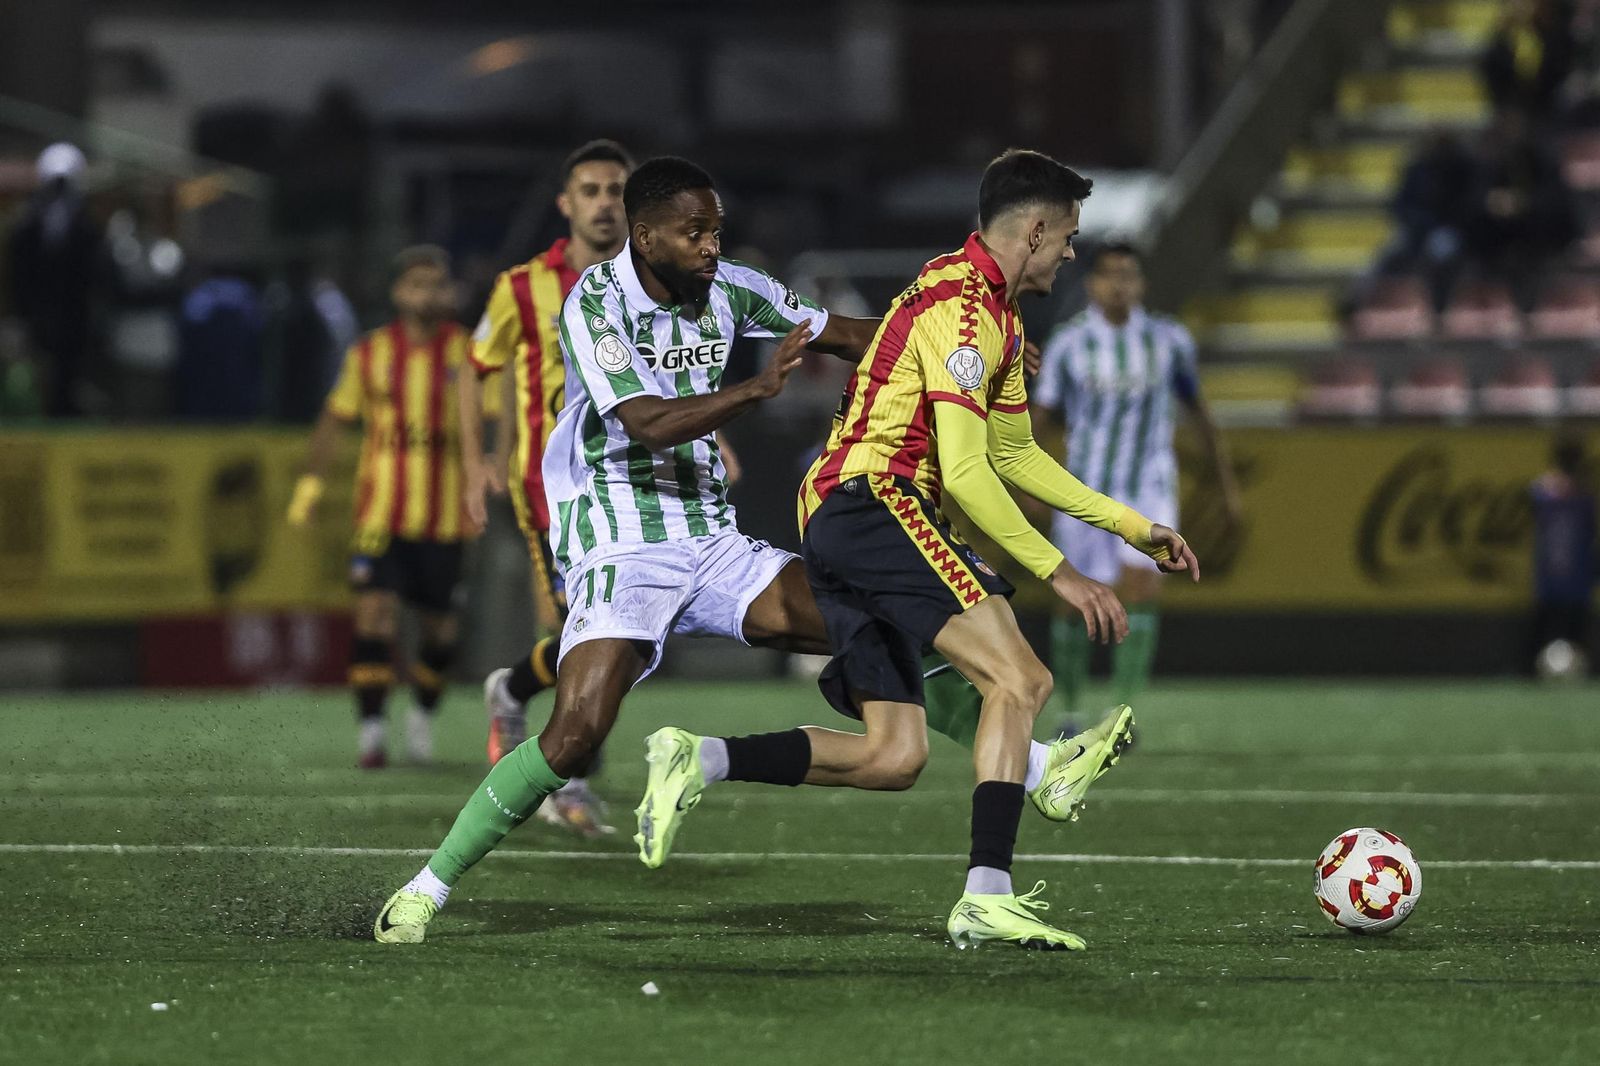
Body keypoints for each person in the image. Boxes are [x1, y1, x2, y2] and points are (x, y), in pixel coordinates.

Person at [371, 157, 1126, 944]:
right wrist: (753, 393)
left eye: (717, 230)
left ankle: (1031, 765)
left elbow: (851, 336)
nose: (709, 246)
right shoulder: (596, 302)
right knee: (577, 731)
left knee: (878, 614)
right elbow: (647, 422)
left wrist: (961, 350)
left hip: (711, 538)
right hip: (620, 536)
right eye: (693, 232)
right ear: (644, 234)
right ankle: (428, 886)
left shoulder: (733, 286)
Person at [639, 150, 1199, 952]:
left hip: (843, 513)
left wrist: (1130, 526)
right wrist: (1062, 572)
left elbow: (1015, 455)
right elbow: (968, 475)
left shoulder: (992, 315)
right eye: (1068, 235)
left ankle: (702, 757)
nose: (1072, 252)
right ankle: (989, 887)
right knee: (1022, 675)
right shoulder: (964, 312)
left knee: (893, 755)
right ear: (1034, 230)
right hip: (874, 503)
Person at [459, 138, 639, 837]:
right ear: (566, 204)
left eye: (616, 191)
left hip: (629, 485)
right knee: (583, 632)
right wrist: (479, 460)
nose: (603, 203)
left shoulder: (648, 283)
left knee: (618, 640)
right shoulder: (520, 286)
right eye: (590, 191)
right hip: (551, 488)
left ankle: (512, 689)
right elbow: (477, 366)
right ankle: (574, 781)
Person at [286, 246, 493, 767]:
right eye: (418, 284)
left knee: (439, 630)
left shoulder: (469, 354)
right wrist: (310, 486)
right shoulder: (370, 353)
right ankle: (373, 733)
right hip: (381, 516)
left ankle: (420, 720)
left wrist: (496, 459)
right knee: (373, 615)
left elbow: (498, 416)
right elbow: (335, 418)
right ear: (399, 292)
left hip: (447, 519)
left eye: (437, 284)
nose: (429, 294)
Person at [1033, 242, 1239, 736]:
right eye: (1110, 275)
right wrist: (1031, 487)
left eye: (1129, 275)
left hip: (1150, 485)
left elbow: (1199, 412)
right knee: (1073, 598)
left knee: (1143, 592)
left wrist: (1225, 483)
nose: (1120, 284)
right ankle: (1072, 712)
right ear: (1093, 284)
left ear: (1141, 284)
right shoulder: (1069, 343)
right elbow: (1038, 420)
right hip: (1082, 488)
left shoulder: (1168, 340)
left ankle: (1120, 715)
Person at [6, 143, 100, 417]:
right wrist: (17, 318)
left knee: (67, 391)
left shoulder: (85, 222)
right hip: (35, 321)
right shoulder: (27, 222)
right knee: (30, 389)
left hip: (75, 324)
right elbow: (18, 271)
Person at [1530, 433, 1596, 674]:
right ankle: (1535, 670)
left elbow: (1590, 531)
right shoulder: (1545, 490)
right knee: (1545, 628)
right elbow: (1537, 499)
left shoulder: (1585, 495)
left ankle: (1575, 669)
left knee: (1577, 631)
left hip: (1578, 576)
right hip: (1550, 576)